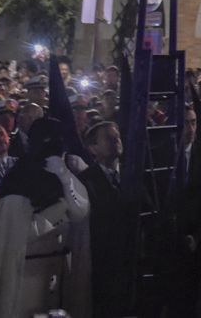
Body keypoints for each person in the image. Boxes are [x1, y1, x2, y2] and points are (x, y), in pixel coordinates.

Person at [0, 117, 91, 318]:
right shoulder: (19, 179)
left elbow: (80, 210)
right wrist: (58, 210)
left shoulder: (63, 172)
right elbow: (17, 235)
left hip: (59, 274)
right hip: (24, 275)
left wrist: (63, 175)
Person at [79, 121, 139, 318]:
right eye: (108, 137)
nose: (116, 140)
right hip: (105, 266)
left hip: (134, 263)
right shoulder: (85, 181)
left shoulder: (134, 174)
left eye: (117, 136)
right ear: (93, 148)